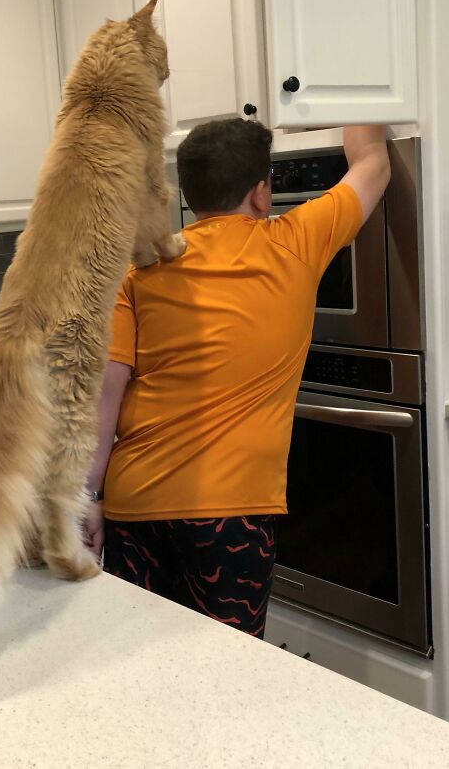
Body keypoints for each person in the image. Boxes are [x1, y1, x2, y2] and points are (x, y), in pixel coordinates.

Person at [83, 120, 390, 638]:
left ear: (187, 194)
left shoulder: (141, 269)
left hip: (136, 506)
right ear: (262, 192)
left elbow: (102, 401)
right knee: (228, 672)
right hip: (229, 516)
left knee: (140, 667)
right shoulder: (296, 241)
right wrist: (354, 97)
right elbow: (373, 165)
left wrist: (87, 499)